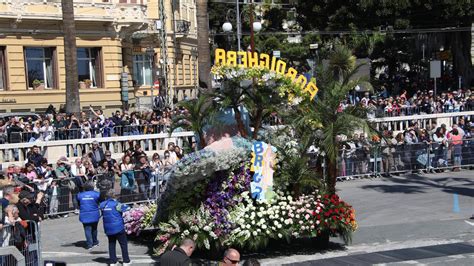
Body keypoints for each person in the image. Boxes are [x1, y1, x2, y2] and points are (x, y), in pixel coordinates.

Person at [99, 189, 131, 266]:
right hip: (118, 227)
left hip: (108, 228)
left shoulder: (102, 205)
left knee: (111, 244)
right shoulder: (117, 204)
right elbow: (127, 208)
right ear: (114, 196)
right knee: (123, 244)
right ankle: (126, 261)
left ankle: (113, 261)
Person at [77, 182, 100, 250]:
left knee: (87, 229)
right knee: (94, 228)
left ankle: (89, 244)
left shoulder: (80, 195)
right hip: (94, 214)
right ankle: (95, 242)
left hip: (84, 214)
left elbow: (78, 203)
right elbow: (99, 202)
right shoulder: (96, 194)